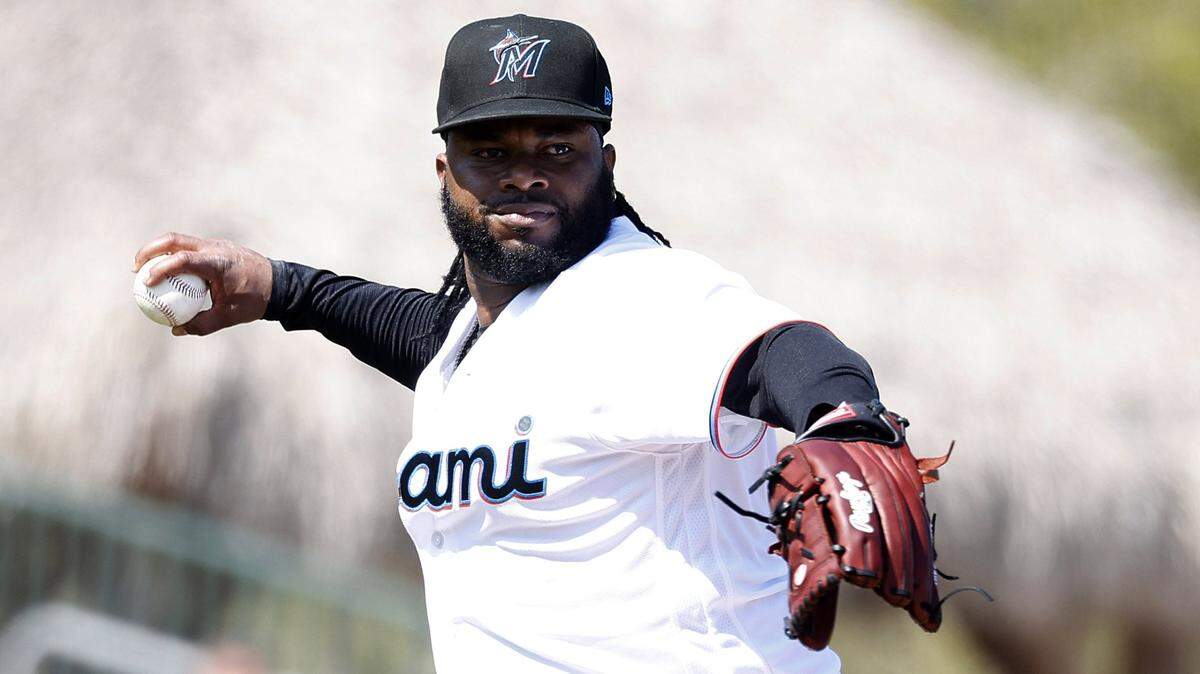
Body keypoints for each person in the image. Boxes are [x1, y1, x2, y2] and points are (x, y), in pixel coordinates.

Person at [133, 15, 915, 673]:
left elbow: (783, 350)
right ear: (447, 171)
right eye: (493, 152)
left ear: (605, 163)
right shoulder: (476, 339)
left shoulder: (644, 295)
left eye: (557, 149)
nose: (526, 176)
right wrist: (277, 287)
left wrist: (844, 414)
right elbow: (425, 334)